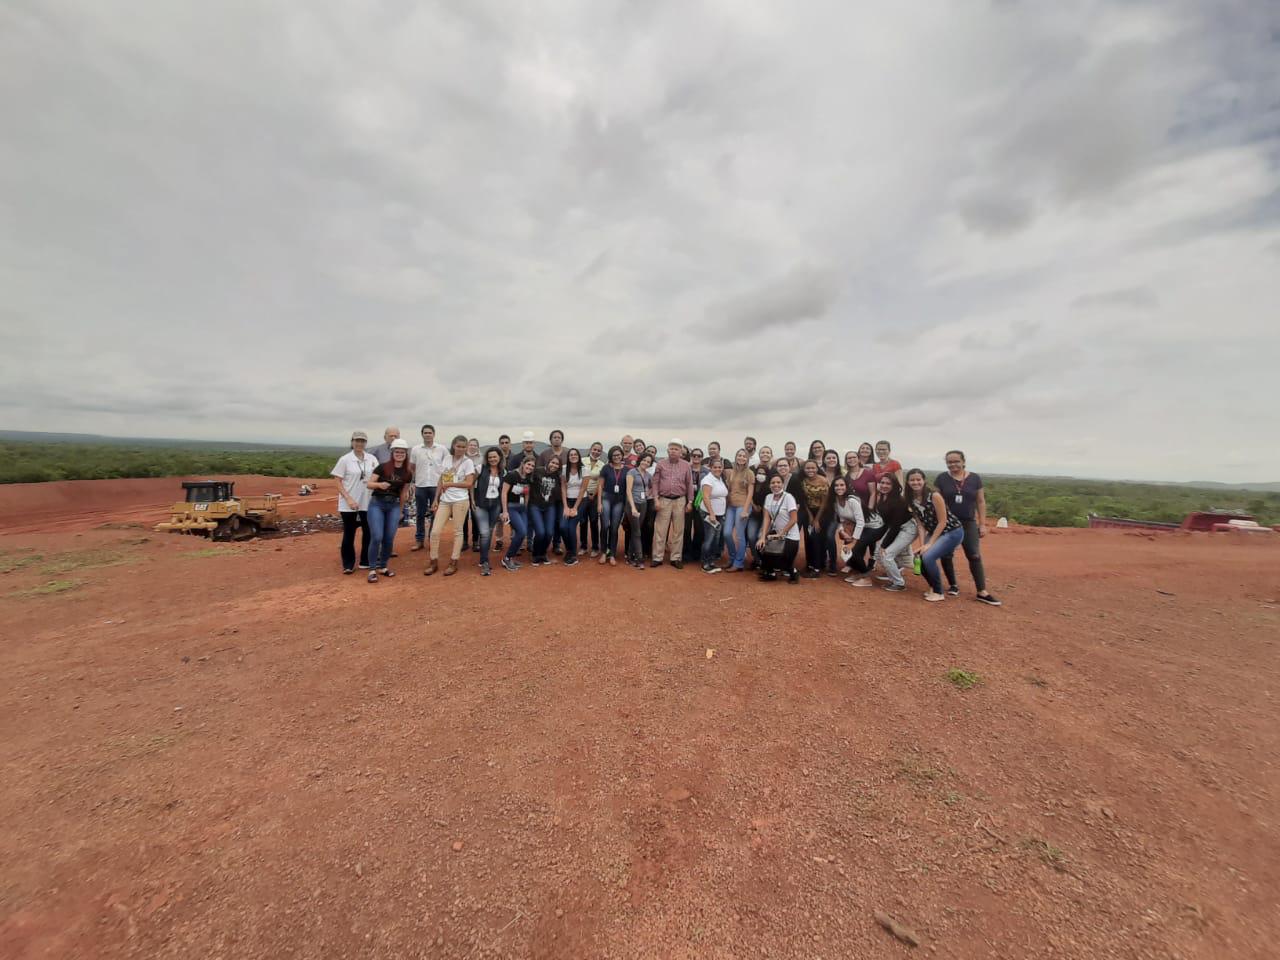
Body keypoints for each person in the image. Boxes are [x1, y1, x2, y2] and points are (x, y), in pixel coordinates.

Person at [934, 451, 1001, 605]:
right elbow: (935, 500)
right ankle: (953, 585)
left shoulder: (975, 478)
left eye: (956, 461)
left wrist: (982, 523)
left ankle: (982, 591)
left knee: (974, 555)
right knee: (946, 554)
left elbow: (981, 501)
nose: (953, 465)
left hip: (968, 522)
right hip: (948, 522)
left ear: (963, 461)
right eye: (949, 462)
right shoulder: (942, 478)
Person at [908, 468, 965, 603]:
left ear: (924, 481)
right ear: (908, 482)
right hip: (935, 533)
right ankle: (933, 587)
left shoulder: (934, 496)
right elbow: (921, 525)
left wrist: (929, 544)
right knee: (919, 557)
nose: (915, 482)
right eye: (912, 480)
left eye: (918, 479)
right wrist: (922, 545)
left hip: (952, 531)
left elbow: (942, 522)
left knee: (928, 557)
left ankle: (939, 592)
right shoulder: (910, 499)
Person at [425, 435, 477, 577]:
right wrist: (436, 498)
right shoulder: (447, 459)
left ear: (466, 448)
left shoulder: (468, 462)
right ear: (453, 445)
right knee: (435, 531)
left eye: (463, 447)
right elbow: (441, 479)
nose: (460, 449)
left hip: (460, 500)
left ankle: (454, 561)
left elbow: (469, 483)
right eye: (458, 446)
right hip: (445, 500)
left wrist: (451, 484)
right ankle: (433, 561)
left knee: (458, 531)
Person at [365, 438, 411, 582]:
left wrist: (401, 510)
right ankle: (372, 569)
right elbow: (369, 484)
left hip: (394, 506)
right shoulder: (382, 467)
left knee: (389, 538)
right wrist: (380, 485)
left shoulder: (407, 473)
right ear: (392, 453)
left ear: (405, 454)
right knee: (377, 536)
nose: (399, 454)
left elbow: (404, 493)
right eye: (397, 452)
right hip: (377, 504)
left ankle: (383, 566)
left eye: (402, 452)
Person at [331, 431, 377, 574]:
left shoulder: (372, 459)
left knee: (368, 532)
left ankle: (365, 561)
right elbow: (337, 481)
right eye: (357, 441)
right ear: (352, 442)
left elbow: (377, 476)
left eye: (362, 441)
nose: (359, 444)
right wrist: (348, 498)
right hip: (349, 504)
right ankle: (348, 564)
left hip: (367, 502)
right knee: (349, 533)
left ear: (366, 443)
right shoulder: (345, 459)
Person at [651, 439, 695, 568]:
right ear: (667, 450)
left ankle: (675, 558)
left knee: (678, 530)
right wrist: (656, 499)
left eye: (676, 449)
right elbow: (655, 483)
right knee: (660, 529)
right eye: (671, 448)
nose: (673, 451)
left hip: (680, 500)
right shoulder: (661, 464)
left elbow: (689, 484)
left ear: (681, 451)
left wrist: (690, 502)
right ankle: (657, 557)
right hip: (664, 499)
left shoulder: (686, 465)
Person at [873, 473, 915, 592]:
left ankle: (898, 583)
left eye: (888, 483)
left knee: (886, 554)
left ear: (894, 485)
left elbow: (895, 526)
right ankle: (896, 568)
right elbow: (888, 523)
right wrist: (879, 538)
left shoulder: (898, 501)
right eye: (882, 483)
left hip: (908, 528)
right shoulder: (882, 497)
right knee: (877, 553)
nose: (884, 485)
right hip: (894, 527)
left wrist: (884, 545)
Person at [757, 474, 800, 583]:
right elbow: (766, 518)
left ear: (782, 484)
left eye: (778, 482)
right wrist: (762, 537)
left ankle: (793, 572)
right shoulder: (768, 497)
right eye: (773, 483)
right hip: (775, 533)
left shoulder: (788, 497)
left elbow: (794, 519)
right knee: (760, 547)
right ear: (769, 485)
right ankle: (770, 572)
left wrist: (781, 533)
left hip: (790, 535)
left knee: (784, 559)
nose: (775, 485)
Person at [409, 425, 445, 551]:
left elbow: (446, 467)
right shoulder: (415, 450)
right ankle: (419, 540)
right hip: (421, 485)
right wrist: (412, 482)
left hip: (436, 485)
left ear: (434, 434)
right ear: (422, 434)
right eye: (425, 433)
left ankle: (432, 539)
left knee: (435, 514)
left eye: (430, 432)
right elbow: (412, 467)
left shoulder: (442, 449)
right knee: (420, 514)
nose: (428, 435)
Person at [472, 447, 505, 576]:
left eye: (495, 457)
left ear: (499, 457)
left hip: (495, 505)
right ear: (487, 458)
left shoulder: (503, 471)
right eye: (490, 457)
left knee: (489, 531)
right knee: (485, 533)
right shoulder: (480, 469)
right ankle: (485, 562)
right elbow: (471, 483)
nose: (492, 459)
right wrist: (472, 500)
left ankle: (483, 558)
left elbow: (503, 490)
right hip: (481, 504)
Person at [499, 457, 535, 572]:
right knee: (521, 532)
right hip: (511, 507)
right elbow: (504, 493)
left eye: (532, 466)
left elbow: (527, 494)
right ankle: (507, 558)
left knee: (522, 533)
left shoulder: (528, 478)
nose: (530, 467)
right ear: (523, 463)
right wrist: (504, 511)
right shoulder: (512, 475)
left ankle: (511, 558)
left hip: (522, 508)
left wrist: (526, 508)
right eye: (528, 464)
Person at [538, 429, 570, 555]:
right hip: (547, 495)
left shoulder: (567, 453)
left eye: (559, 437)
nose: (556, 439)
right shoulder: (544, 454)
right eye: (554, 437)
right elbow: (539, 470)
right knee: (548, 521)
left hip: (563, 494)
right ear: (550, 439)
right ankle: (543, 544)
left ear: (562, 439)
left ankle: (556, 544)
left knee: (559, 520)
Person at [527, 455, 561, 566]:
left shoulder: (558, 477)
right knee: (540, 532)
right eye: (552, 462)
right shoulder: (537, 471)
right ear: (548, 462)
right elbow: (525, 477)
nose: (554, 465)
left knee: (550, 532)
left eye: (557, 464)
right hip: (535, 505)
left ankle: (543, 553)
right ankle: (536, 554)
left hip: (550, 506)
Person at [724, 449, 755, 572]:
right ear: (736, 457)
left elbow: (750, 493)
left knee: (740, 536)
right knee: (726, 533)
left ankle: (739, 563)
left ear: (747, 458)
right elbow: (729, 490)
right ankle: (732, 557)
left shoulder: (750, 473)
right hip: (731, 506)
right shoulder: (732, 472)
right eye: (739, 455)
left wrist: (745, 510)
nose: (741, 458)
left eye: (744, 456)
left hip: (743, 506)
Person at [597, 445, 628, 566]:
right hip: (606, 498)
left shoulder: (627, 470)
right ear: (611, 456)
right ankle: (604, 552)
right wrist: (599, 503)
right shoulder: (606, 468)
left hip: (619, 501)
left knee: (614, 528)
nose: (617, 457)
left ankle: (613, 554)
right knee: (605, 526)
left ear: (622, 456)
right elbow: (600, 486)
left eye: (619, 455)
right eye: (614, 455)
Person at [799, 459, 830, 578]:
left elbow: (825, 503)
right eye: (808, 468)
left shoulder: (823, 481)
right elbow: (804, 501)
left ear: (817, 469)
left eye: (813, 468)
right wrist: (810, 516)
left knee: (816, 537)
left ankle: (817, 568)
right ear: (804, 469)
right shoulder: (803, 481)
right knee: (808, 537)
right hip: (809, 511)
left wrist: (816, 519)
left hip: (822, 512)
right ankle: (810, 564)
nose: (810, 470)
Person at [829, 476, 865, 577]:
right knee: (848, 542)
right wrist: (842, 531)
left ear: (846, 487)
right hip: (850, 526)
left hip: (866, 526)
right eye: (836, 485)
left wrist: (854, 540)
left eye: (842, 485)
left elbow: (861, 522)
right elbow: (841, 520)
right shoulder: (835, 502)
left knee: (856, 550)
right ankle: (850, 564)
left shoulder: (852, 501)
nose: (839, 487)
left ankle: (865, 571)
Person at [746, 446, 774, 569]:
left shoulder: (773, 477)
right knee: (751, 536)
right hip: (754, 513)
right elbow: (748, 492)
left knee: (760, 537)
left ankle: (766, 561)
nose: (761, 475)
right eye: (763, 452)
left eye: (768, 452)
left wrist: (764, 509)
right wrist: (754, 505)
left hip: (767, 515)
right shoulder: (753, 470)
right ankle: (757, 560)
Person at [699, 458, 729, 573]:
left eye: (720, 467)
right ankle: (705, 564)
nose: (718, 469)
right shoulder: (708, 480)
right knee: (709, 538)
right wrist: (711, 514)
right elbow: (706, 497)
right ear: (710, 468)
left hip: (720, 514)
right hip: (709, 513)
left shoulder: (720, 479)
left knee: (716, 539)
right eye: (715, 467)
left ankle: (711, 561)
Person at [625, 452, 653, 567]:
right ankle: (639, 558)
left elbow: (652, 487)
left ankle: (630, 556)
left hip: (643, 504)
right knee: (637, 532)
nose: (646, 463)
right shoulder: (632, 472)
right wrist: (632, 507)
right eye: (644, 460)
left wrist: (647, 494)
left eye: (648, 462)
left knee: (636, 530)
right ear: (640, 460)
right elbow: (628, 490)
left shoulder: (647, 475)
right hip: (633, 504)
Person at [559, 447, 586, 566]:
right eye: (571, 455)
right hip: (567, 500)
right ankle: (569, 550)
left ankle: (573, 554)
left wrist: (575, 508)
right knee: (563, 526)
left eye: (575, 454)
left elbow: (583, 490)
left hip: (580, 501)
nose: (573, 456)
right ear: (568, 457)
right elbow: (563, 488)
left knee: (571, 527)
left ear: (579, 457)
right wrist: (565, 506)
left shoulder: (585, 470)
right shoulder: (564, 469)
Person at [580, 441, 605, 557]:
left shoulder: (602, 464)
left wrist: (593, 494)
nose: (596, 452)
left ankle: (595, 547)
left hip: (594, 496)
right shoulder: (582, 461)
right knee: (583, 521)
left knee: (594, 521)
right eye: (594, 449)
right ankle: (583, 546)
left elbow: (601, 483)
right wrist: (584, 493)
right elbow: (579, 478)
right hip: (582, 495)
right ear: (590, 449)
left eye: (599, 450)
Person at [683, 448, 706, 562]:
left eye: (699, 455)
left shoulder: (706, 471)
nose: (696, 457)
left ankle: (696, 552)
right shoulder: (686, 469)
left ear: (702, 457)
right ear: (691, 456)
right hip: (687, 501)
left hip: (700, 502)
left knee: (700, 529)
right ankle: (686, 553)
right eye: (694, 455)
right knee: (686, 528)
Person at [461, 438, 482, 551]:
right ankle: (464, 541)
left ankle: (475, 541)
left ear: (478, 447)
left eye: (475, 445)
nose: (473, 446)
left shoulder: (481, 458)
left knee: (475, 516)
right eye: (471, 444)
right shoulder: (463, 458)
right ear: (467, 446)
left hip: (477, 489)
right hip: (463, 489)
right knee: (463, 515)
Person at [846, 443, 877, 515]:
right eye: (849, 458)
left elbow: (873, 493)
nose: (852, 460)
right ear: (846, 461)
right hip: (851, 512)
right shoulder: (846, 476)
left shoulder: (868, 473)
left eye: (854, 457)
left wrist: (870, 509)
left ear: (859, 459)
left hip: (866, 511)